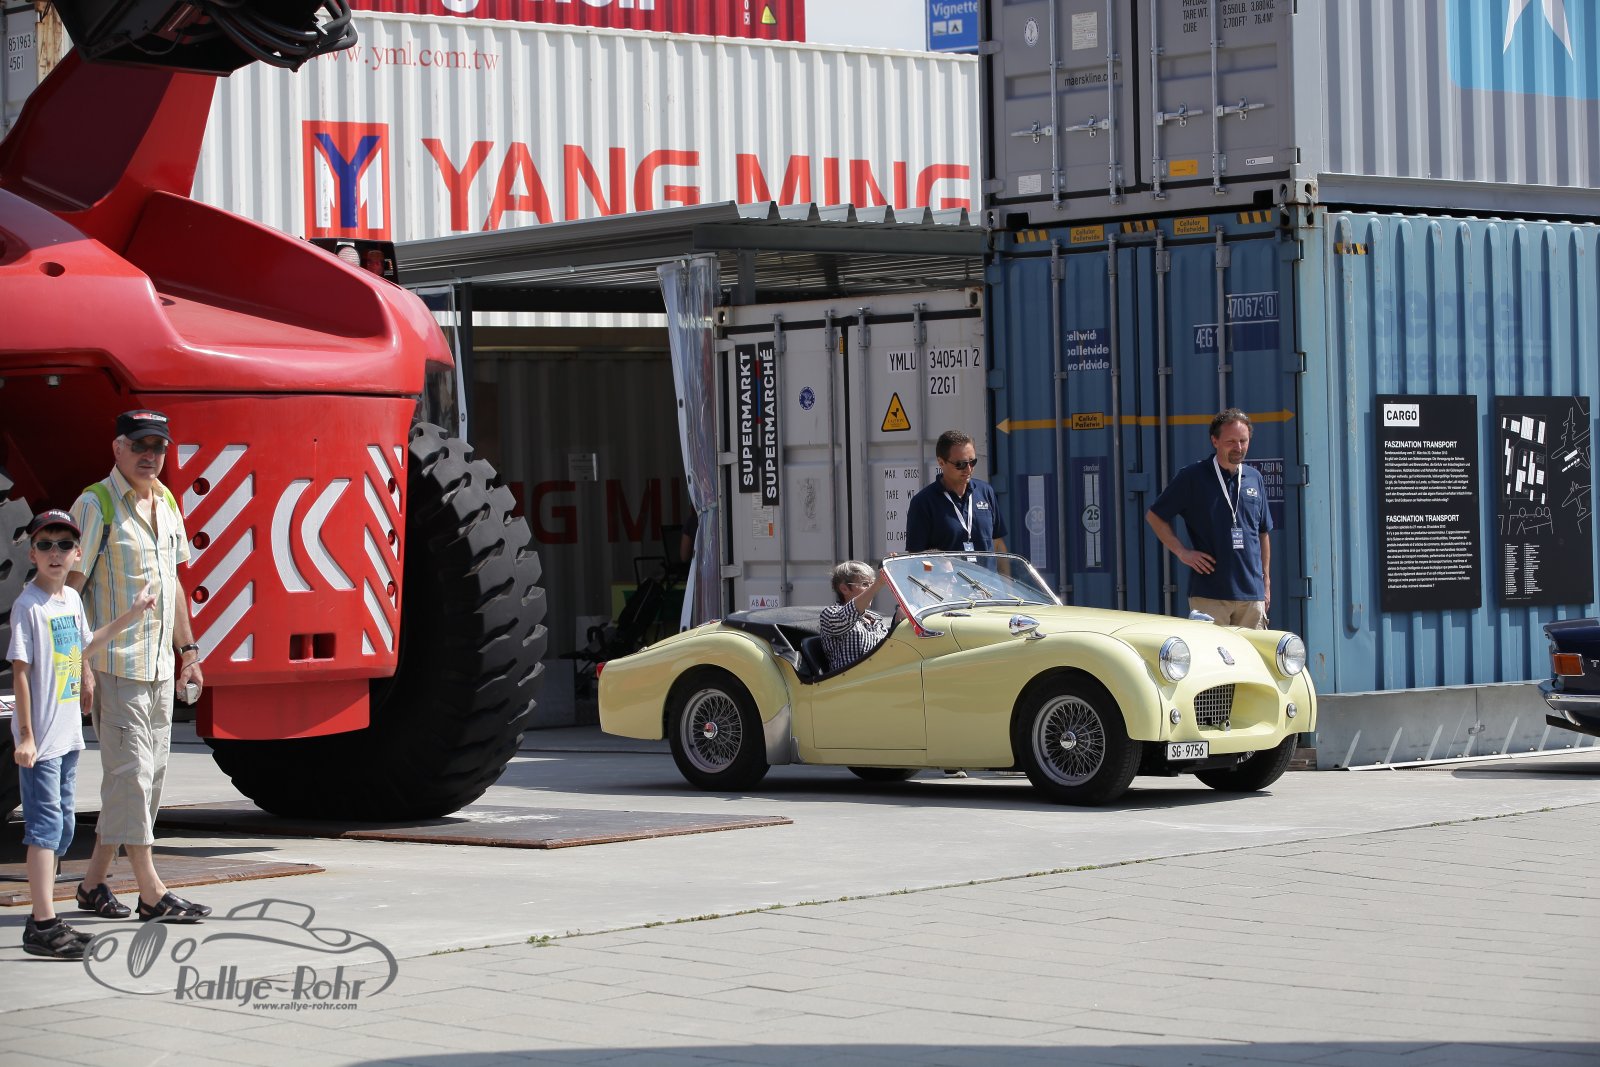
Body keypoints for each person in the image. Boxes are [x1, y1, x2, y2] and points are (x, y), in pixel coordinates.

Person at [67, 410, 212, 923]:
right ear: (117, 448)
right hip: (115, 665)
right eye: (140, 445)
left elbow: (172, 583)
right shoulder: (95, 504)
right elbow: (69, 593)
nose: (150, 455)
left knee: (146, 780)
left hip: (159, 669)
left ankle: (92, 885)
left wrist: (188, 652)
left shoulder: (166, 501)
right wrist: (81, 667)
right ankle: (151, 892)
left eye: (159, 447)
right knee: (132, 777)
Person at [8, 510, 155, 957]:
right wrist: (26, 736)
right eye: (45, 545)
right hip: (42, 741)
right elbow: (20, 672)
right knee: (45, 829)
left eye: (65, 545)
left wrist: (132, 614)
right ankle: (42, 923)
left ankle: (47, 916)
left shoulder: (71, 600)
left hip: (68, 736)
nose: (55, 553)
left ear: (77, 554)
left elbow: (82, 649)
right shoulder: (28, 606)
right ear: (33, 554)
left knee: (65, 828)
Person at [1146, 408, 1273, 628]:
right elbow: (1155, 516)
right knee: (1212, 651)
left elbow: (1263, 533)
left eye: (1243, 441)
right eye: (1231, 441)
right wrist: (1183, 553)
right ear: (1215, 441)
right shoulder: (1193, 477)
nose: (1238, 447)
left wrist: (1266, 583)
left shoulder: (1254, 478)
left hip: (1252, 596)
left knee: (1251, 651)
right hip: (1210, 595)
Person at [905, 430, 1008, 557]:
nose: (968, 469)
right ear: (941, 462)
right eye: (961, 464)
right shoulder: (923, 502)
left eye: (972, 462)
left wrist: (1006, 570)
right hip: (948, 571)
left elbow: (997, 543)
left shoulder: (986, 492)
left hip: (984, 571)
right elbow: (915, 556)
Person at [818, 561, 891, 673]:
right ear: (844, 589)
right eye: (865, 584)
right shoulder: (830, 614)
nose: (871, 589)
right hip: (850, 680)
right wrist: (878, 583)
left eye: (872, 584)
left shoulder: (876, 619)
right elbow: (846, 616)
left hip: (881, 676)